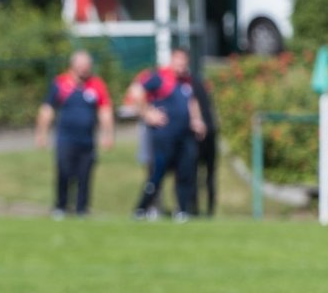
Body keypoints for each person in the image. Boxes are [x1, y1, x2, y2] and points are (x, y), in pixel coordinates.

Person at [126, 47, 206, 222]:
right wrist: (147, 113)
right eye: (178, 59)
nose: (181, 64)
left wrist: (197, 120)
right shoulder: (159, 77)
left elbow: (192, 103)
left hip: (185, 136)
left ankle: (182, 210)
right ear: (172, 60)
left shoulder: (186, 82)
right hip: (164, 135)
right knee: (158, 173)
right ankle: (142, 209)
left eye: (184, 60)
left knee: (186, 173)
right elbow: (136, 90)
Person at [34, 50, 115, 217]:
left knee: (85, 174)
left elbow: (105, 109)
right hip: (66, 138)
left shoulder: (96, 84)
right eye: (81, 65)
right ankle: (61, 207)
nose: (84, 69)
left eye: (87, 66)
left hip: (87, 139)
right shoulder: (60, 83)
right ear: (73, 65)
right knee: (64, 171)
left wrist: (108, 134)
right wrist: (41, 133)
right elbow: (47, 109)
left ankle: (81, 209)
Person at [189, 73, 219, 216]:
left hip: (208, 135)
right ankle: (195, 209)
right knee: (196, 174)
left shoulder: (195, 84)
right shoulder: (192, 85)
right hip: (200, 135)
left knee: (208, 175)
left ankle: (208, 210)